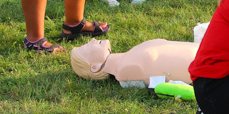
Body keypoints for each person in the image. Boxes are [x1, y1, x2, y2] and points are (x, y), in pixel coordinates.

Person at [70, 38, 198, 84]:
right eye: (86, 47)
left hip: (206, 48)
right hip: (207, 64)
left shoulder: (130, 55)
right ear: (94, 67)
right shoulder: (126, 69)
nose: (92, 40)